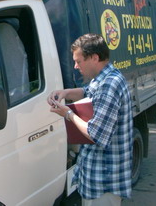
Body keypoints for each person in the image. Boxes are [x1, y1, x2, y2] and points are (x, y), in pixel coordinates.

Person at [47, 33, 133, 206]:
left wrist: (68, 115)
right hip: (95, 177)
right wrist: (66, 93)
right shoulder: (103, 79)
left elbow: (96, 135)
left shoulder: (110, 84)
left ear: (94, 57)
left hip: (104, 182)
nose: (76, 66)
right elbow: (88, 93)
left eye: (79, 61)